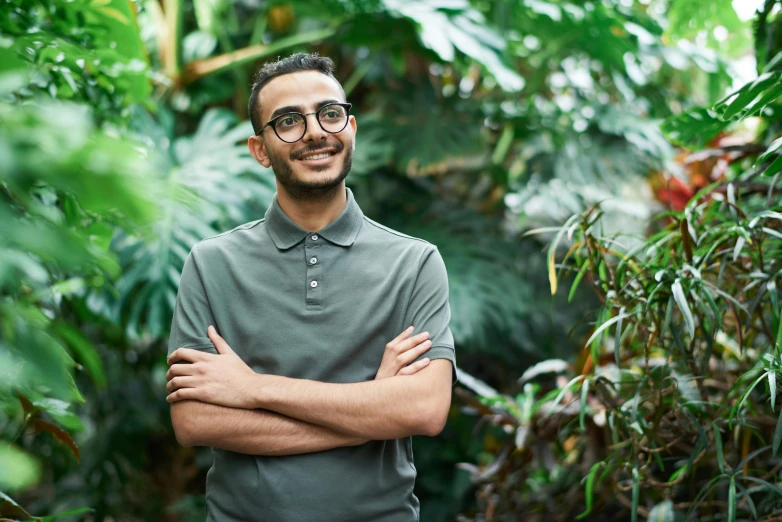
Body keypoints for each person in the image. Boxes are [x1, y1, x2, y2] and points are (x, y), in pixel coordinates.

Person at [164, 52, 458, 522]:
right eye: (287, 121)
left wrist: (254, 388)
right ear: (259, 149)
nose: (316, 131)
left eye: (329, 113)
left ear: (351, 127)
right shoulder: (212, 263)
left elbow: (423, 409)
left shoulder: (414, 262)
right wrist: (368, 417)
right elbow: (196, 421)